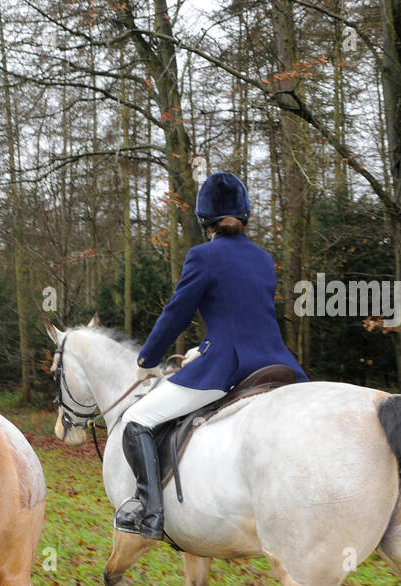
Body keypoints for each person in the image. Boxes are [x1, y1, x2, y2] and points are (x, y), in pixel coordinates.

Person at [115, 172, 309, 539]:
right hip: (278, 363)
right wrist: (200, 347)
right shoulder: (264, 259)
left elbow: (176, 313)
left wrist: (147, 360)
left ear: (206, 221)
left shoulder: (202, 256)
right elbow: (239, 315)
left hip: (227, 368)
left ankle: (150, 511)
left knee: (137, 418)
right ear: (244, 215)